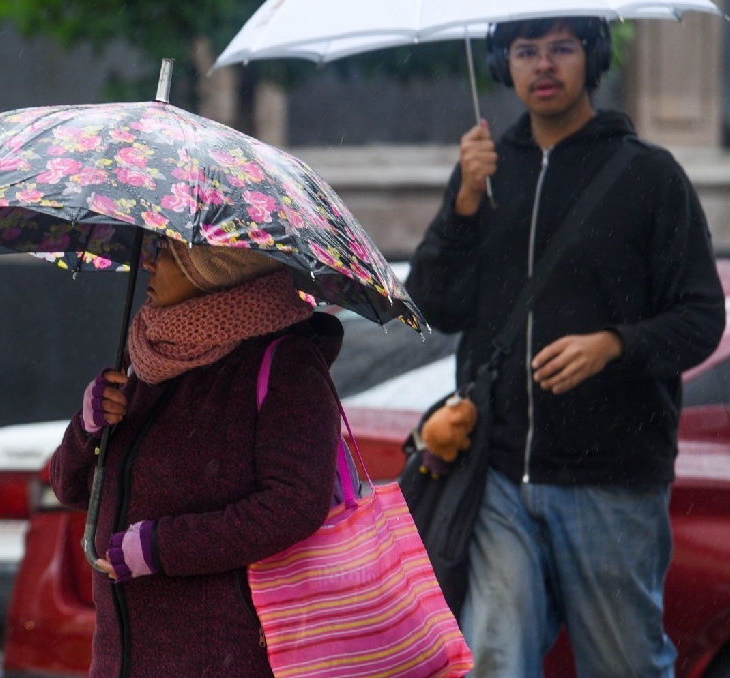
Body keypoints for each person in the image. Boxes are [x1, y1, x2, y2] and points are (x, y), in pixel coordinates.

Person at [406, 15, 725, 678]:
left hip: (610, 479)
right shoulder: (483, 173)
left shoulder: (649, 176)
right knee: (494, 657)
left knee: (625, 665)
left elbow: (701, 317)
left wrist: (615, 344)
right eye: (525, 51)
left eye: (561, 48)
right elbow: (437, 307)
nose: (543, 65)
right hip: (493, 471)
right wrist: (463, 204)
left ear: (592, 57)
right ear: (503, 64)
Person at [50, 237, 345, 677]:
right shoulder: (150, 359)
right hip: (122, 662)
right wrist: (85, 430)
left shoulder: (285, 366)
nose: (148, 262)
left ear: (219, 269)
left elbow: (295, 504)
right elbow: (70, 489)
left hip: (226, 659)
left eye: (169, 253)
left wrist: (161, 547)